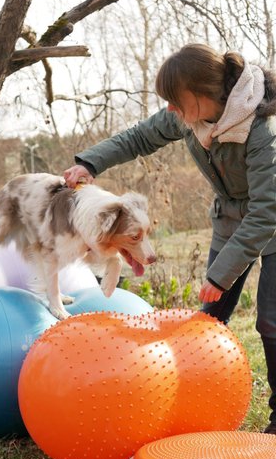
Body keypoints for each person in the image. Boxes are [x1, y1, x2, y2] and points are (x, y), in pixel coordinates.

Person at [64, 43, 276, 433]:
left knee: (272, 322)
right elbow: (138, 138)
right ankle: (195, 400)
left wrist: (220, 274)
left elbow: (267, 213)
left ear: (202, 94)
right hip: (231, 219)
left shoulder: (262, 128)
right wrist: (88, 162)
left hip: (273, 216)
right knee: (210, 318)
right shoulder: (188, 118)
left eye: (176, 102)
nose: (172, 111)